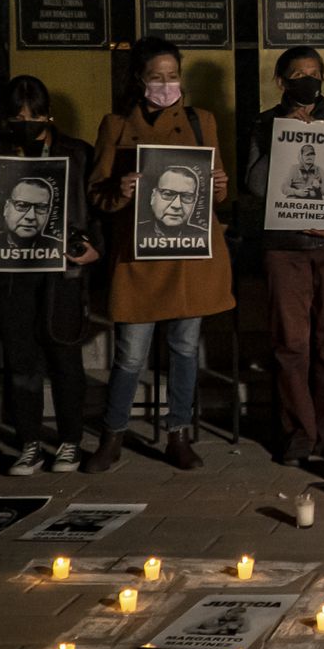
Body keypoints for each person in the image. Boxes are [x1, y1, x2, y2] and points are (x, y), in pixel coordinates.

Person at [85, 38, 234, 473]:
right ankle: (112, 436)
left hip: (190, 258)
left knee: (185, 348)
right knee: (130, 353)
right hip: (140, 259)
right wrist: (120, 190)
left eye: (173, 76)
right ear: (140, 79)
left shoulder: (202, 121)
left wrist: (219, 186)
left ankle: (179, 434)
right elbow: (96, 193)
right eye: (157, 76)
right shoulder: (114, 125)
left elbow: (216, 194)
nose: (166, 84)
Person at [241, 46, 324, 465]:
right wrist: (283, 136)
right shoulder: (265, 124)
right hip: (287, 250)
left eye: (315, 73)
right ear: (281, 81)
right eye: (298, 74)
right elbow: (257, 185)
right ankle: (299, 433)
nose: (308, 80)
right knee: (291, 343)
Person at [0, 76, 101, 476]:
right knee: (21, 359)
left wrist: (95, 247)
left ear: (50, 115)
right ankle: (29, 442)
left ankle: (70, 441)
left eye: (34, 115)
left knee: (65, 356)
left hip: (62, 272)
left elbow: (96, 208)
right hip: (13, 275)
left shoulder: (77, 154)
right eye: (17, 116)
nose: (26, 122)